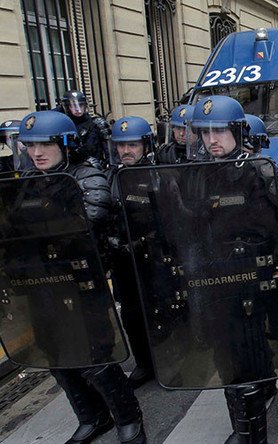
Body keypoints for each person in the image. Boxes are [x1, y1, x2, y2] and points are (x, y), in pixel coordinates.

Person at [187, 95, 278, 444]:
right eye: (205, 132)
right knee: (233, 352)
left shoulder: (263, 172)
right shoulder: (199, 176)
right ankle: (246, 427)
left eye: (219, 131)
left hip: (270, 274)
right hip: (227, 277)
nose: (211, 139)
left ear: (237, 131)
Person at [15, 110, 146, 444]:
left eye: (45, 143)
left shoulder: (88, 177)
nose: (36, 152)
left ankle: (128, 419)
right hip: (40, 284)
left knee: (94, 356)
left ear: (66, 144)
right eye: (30, 145)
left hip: (81, 282)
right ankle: (91, 416)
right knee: (55, 356)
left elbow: (85, 222)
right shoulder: (27, 181)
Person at [105, 116, 156, 389]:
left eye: (133, 145)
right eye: (121, 145)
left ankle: (166, 360)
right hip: (123, 259)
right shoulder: (111, 175)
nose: (126, 151)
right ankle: (144, 362)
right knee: (131, 315)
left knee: (158, 312)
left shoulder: (156, 174)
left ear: (145, 145)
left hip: (152, 257)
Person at [56, 90, 111, 168]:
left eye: (80, 105)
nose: (78, 109)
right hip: (74, 167)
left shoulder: (96, 123)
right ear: (67, 107)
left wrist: (109, 166)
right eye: (73, 106)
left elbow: (109, 150)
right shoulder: (64, 127)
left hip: (97, 167)